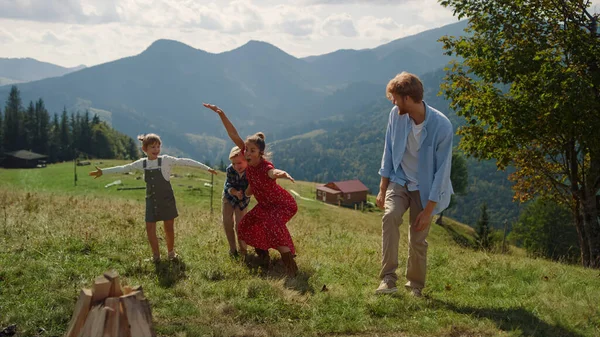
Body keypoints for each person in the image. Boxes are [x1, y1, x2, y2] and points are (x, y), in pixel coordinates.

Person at [375, 72, 454, 297]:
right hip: (399, 180)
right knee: (390, 217)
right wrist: (382, 189)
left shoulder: (442, 127)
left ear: (408, 99)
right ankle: (388, 279)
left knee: (418, 237)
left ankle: (415, 286)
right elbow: (388, 152)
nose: (392, 101)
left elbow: (442, 172)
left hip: (426, 188)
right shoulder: (396, 115)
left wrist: (429, 210)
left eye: (395, 97)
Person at [203, 103, 299, 277]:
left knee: (273, 227)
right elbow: (233, 134)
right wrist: (221, 114)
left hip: (281, 204)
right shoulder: (247, 157)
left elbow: (272, 172)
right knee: (247, 225)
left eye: (252, 150)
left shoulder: (265, 166)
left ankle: (291, 268)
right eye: (246, 149)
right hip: (265, 205)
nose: (247, 152)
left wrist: (282, 174)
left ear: (260, 153)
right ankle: (263, 258)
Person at [89, 133, 217, 263]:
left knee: (169, 227)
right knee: (150, 228)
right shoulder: (142, 163)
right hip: (151, 200)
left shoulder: (166, 160)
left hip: (167, 199)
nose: (156, 150)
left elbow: (185, 162)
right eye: (152, 147)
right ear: (145, 149)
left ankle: (171, 253)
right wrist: (103, 172)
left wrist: (206, 168)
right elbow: (124, 168)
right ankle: (156, 256)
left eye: (158, 147)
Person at [222, 146, 250, 258]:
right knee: (227, 222)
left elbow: (252, 187)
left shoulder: (251, 171)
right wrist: (235, 192)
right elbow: (228, 185)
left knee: (240, 225)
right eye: (234, 164)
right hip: (229, 196)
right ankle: (232, 249)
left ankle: (243, 250)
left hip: (243, 199)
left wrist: (243, 194)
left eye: (239, 163)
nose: (236, 166)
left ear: (246, 160)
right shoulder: (230, 169)